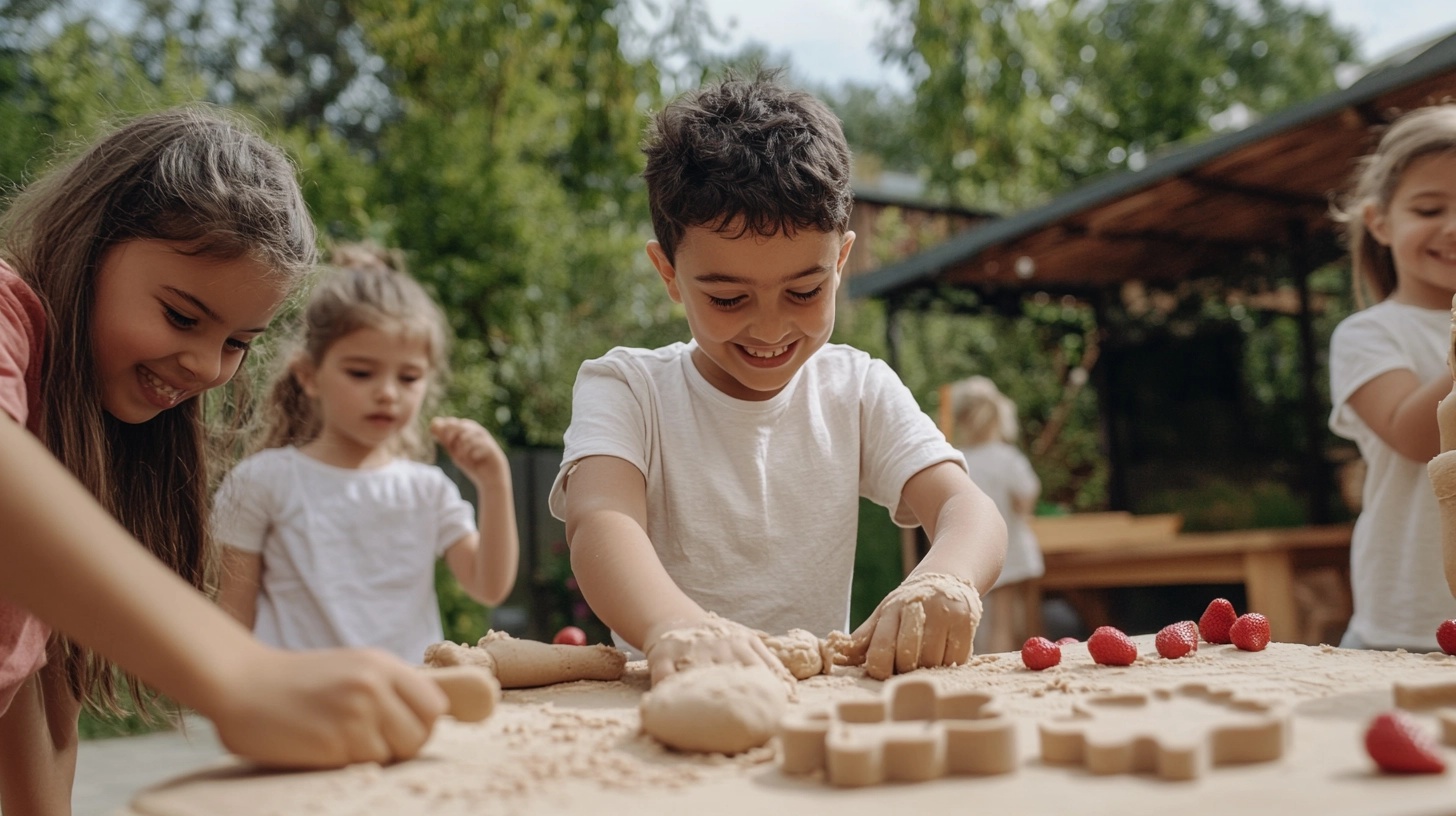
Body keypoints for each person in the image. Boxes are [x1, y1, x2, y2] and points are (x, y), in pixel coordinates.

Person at [0, 107, 446, 815]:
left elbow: (31, 683)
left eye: (238, 342)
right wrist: (241, 677)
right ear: (90, 241)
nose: (206, 366)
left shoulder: (78, 423)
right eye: (182, 316)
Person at [549, 72, 1007, 685]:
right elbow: (600, 522)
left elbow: (967, 508)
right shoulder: (627, 388)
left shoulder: (857, 389)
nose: (770, 328)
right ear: (669, 273)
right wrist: (676, 628)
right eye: (729, 299)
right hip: (667, 701)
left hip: (816, 709)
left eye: (804, 290)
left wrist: (944, 579)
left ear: (840, 261)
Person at [215, 243, 520, 664]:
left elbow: (488, 586)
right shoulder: (262, 481)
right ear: (309, 376)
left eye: (409, 376)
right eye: (361, 372)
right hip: (301, 709)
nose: (387, 393)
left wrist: (494, 483)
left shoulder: (428, 490)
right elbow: (231, 618)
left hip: (411, 709)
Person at [1328, 103, 1456, 652]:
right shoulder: (1367, 335)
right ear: (1380, 221)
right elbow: (1416, 436)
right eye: (1430, 208)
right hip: (1406, 627)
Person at [948, 376, 1044, 655]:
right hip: (1009, 550)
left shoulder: (955, 459)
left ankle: (979, 661)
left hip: (969, 552)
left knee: (977, 619)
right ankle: (1002, 664)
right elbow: (1026, 500)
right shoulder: (1007, 458)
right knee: (1006, 620)